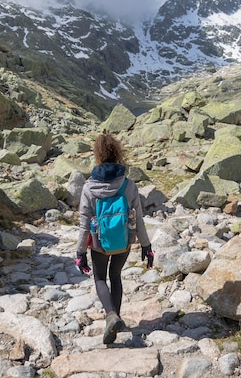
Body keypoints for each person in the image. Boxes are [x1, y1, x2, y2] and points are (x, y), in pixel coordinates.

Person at [76, 133, 153, 344]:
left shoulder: (89, 187)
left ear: (98, 156)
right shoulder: (128, 185)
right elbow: (138, 219)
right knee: (116, 276)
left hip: (99, 243)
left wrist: (80, 252)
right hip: (124, 241)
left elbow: (84, 224)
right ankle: (115, 320)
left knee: (100, 278)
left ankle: (111, 315)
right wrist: (146, 246)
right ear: (117, 153)